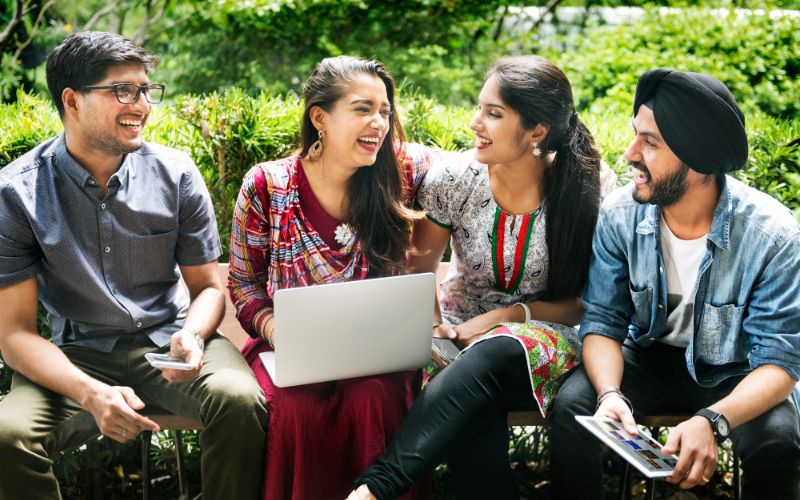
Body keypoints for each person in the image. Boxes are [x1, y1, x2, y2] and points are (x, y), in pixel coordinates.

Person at [0, 32, 267, 500]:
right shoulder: (15, 192)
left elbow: (207, 287)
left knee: (240, 400)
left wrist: (194, 333)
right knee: (6, 437)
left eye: (146, 90)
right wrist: (89, 393)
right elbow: (15, 333)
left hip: (171, 340)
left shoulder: (176, 173)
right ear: (72, 101)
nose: (141, 105)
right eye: (122, 90)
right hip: (76, 353)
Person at [349, 55, 609, 500]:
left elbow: (586, 303)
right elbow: (419, 268)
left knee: (501, 347)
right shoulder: (455, 179)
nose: (475, 123)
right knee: (473, 422)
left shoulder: (586, 187)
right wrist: (435, 326)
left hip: (546, 335)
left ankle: (375, 489)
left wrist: (506, 316)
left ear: (538, 132)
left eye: (494, 113)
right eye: (479, 107)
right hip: (457, 333)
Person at [549, 69, 800, 499]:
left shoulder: (772, 234)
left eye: (650, 143)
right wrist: (610, 393)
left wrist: (712, 420)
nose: (630, 153)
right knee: (576, 403)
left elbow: (781, 362)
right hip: (648, 358)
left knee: (777, 437)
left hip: (739, 368)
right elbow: (603, 321)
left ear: (699, 159)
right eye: (636, 136)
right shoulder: (620, 214)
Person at [228, 55, 433, 499]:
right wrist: (279, 330)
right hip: (289, 351)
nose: (379, 122)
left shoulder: (402, 173)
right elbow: (244, 285)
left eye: (385, 110)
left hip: (378, 354)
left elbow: (482, 168)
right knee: (296, 406)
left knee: (374, 398)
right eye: (363, 109)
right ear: (319, 117)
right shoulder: (267, 185)